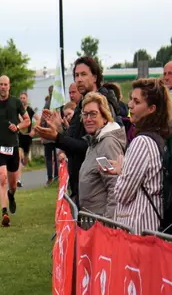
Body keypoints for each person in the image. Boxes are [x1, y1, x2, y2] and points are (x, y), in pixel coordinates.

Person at [34, 56, 120, 205]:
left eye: (83, 74)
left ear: (95, 77)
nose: (79, 79)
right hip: (80, 183)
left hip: (96, 188)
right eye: (76, 75)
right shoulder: (82, 103)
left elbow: (91, 147)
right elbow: (76, 140)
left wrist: (57, 138)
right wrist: (60, 128)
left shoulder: (102, 104)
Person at [105, 78, 172, 234]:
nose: (130, 105)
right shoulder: (159, 136)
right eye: (131, 100)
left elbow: (122, 194)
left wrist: (122, 171)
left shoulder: (142, 142)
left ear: (151, 109)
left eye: (136, 101)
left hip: (140, 229)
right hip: (151, 226)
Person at [0, 75, 30, 227]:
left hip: (13, 146)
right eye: (1, 84)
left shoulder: (16, 102)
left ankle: (11, 195)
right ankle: (4, 213)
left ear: (9, 87)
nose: (3, 87)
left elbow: (27, 120)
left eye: (6, 84)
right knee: (2, 178)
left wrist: (18, 127)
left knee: (12, 184)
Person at [77, 93, 126, 218]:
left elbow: (115, 189)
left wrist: (108, 225)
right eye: (85, 114)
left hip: (101, 225)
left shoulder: (108, 144)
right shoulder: (94, 142)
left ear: (105, 117)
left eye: (93, 114)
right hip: (91, 222)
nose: (88, 119)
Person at [17, 92, 34, 185]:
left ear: (26, 99)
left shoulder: (30, 110)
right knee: (19, 157)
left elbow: (39, 119)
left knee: (25, 159)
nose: (22, 99)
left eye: (24, 98)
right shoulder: (17, 110)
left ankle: (23, 164)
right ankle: (18, 180)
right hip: (19, 136)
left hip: (27, 136)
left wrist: (34, 130)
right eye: (21, 98)